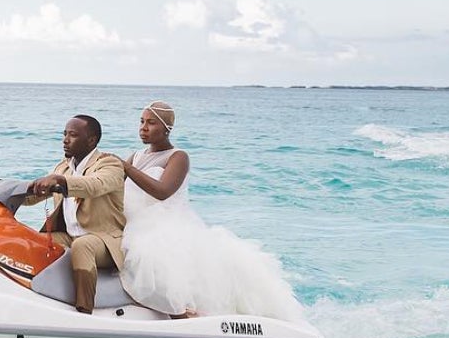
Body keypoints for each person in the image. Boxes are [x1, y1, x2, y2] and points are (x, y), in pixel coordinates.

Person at [112, 101, 305, 323]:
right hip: (133, 219)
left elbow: (163, 191)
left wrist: (127, 168)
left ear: (167, 128)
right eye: (142, 122)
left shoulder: (178, 157)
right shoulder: (135, 156)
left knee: (149, 257)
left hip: (165, 222)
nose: (143, 127)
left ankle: (182, 316)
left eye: (151, 123)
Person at [0, 114, 125, 313]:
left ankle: (84, 310)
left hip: (104, 240)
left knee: (83, 245)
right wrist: (0, 184)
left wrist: (61, 182)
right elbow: (33, 196)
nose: (65, 140)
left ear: (91, 140)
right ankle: (26, 297)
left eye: (73, 135)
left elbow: (94, 186)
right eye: (64, 134)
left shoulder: (110, 164)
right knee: (32, 241)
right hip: (68, 235)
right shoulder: (63, 167)